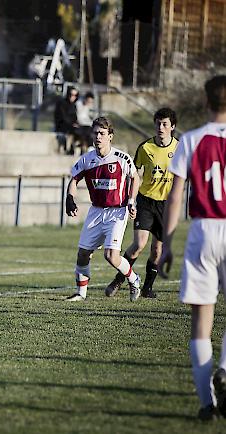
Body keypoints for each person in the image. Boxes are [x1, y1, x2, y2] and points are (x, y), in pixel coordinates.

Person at [159, 76, 226, 421]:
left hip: (202, 230)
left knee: (201, 323)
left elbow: (175, 196)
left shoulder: (191, 140)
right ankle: (225, 369)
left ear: (205, 101)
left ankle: (206, 405)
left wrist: (167, 244)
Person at [64, 116, 141, 302]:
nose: (98, 137)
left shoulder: (122, 158)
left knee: (111, 256)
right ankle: (81, 294)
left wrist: (132, 201)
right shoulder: (87, 159)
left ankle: (134, 279)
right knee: (83, 254)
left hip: (117, 211)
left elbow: (135, 178)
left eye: (102, 133)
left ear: (110, 136)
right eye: (96, 133)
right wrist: (69, 198)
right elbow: (74, 180)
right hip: (96, 211)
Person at [104, 108, 178, 299]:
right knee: (139, 244)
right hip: (145, 201)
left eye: (165, 124)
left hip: (166, 205)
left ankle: (147, 288)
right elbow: (134, 175)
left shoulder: (179, 148)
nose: (160, 128)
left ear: (172, 127)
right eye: (158, 123)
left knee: (157, 249)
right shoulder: (145, 148)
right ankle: (121, 279)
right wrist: (131, 200)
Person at [54, 86, 79, 155]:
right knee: (73, 130)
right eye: (71, 95)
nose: (73, 97)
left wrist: (76, 123)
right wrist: (72, 124)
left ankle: (80, 149)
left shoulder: (73, 105)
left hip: (71, 125)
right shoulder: (61, 103)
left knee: (82, 130)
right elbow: (62, 117)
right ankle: (69, 148)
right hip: (62, 125)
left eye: (75, 95)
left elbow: (75, 117)